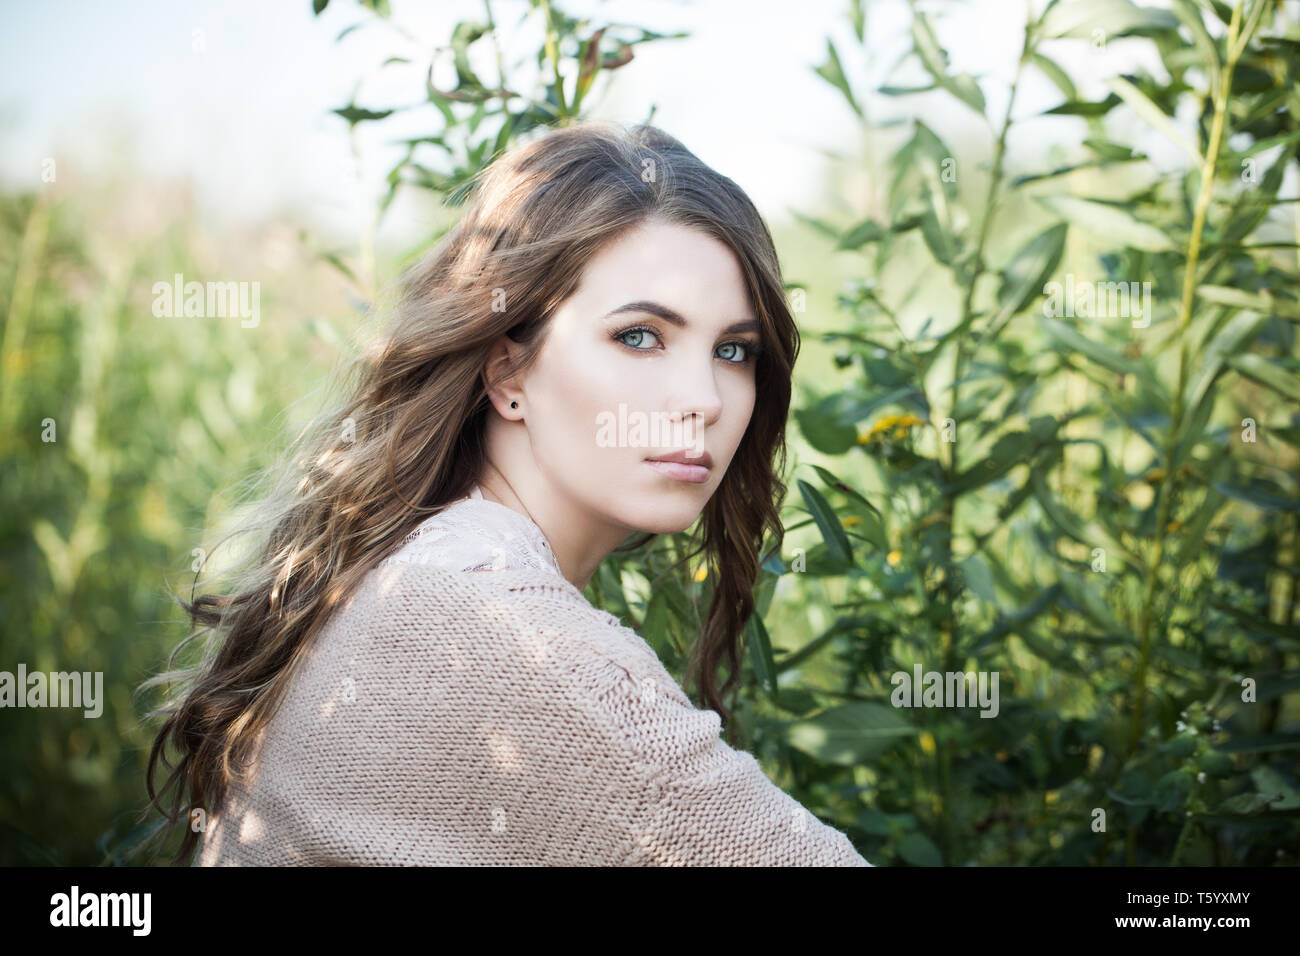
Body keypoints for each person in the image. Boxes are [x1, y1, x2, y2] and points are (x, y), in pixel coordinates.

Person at [140, 120, 871, 866]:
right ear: (507, 372)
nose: (704, 399)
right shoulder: (515, 642)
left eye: (732, 351)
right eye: (640, 336)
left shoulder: (426, 567)